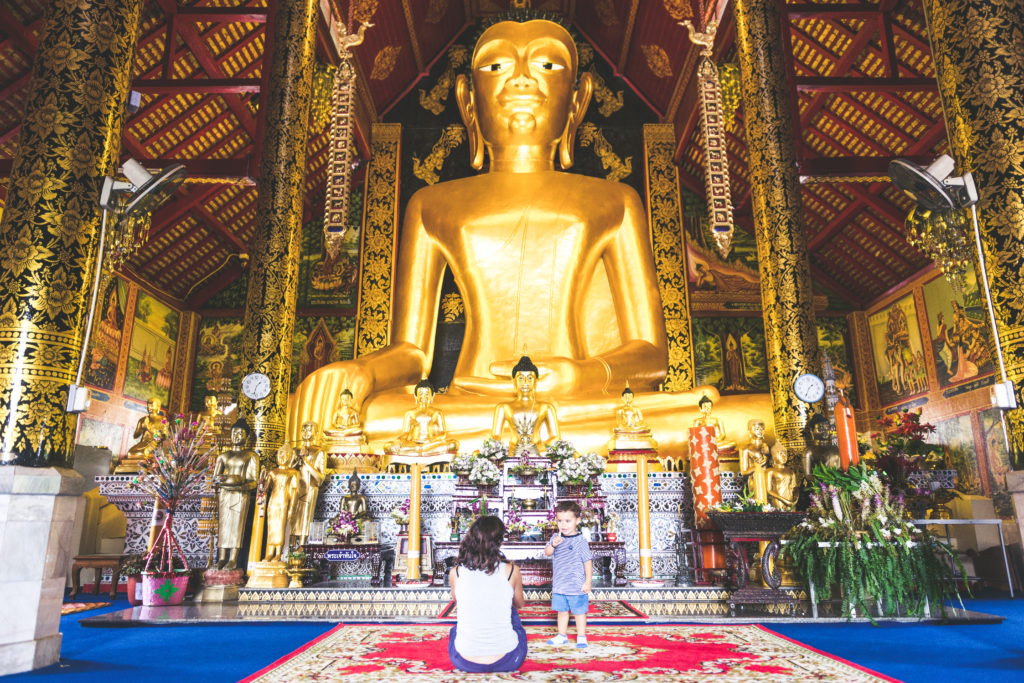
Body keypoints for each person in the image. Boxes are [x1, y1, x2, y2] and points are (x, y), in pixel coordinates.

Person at [287, 15, 768, 458]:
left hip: (581, 404)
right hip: (469, 401)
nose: (520, 78)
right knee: (354, 417)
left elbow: (652, 355)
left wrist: (581, 374)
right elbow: (412, 354)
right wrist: (360, 372)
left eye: (546, 63)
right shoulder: (431, 204)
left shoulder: (615, 200)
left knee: (747, 416)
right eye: (495, 64)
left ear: (578, 99)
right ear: (467, 100)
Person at [448, 515, 527, 673]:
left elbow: (458, 602)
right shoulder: (511, 570)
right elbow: (519, 604)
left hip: (463, 661)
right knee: (513, 616)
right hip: (509, 660)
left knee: (455, 629)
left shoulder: (455, 572)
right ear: (499, 541)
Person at [544, 500, 593, 648]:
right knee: (562, 611)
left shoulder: (581, 541)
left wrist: (588, 582)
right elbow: (547, 553)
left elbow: (587, 561)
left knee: (579, 612)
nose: (563, 525)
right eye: (560, 521)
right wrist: (553, 545)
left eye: (568, 521)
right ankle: (561, 635)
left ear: (577, 520)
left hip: (577, 586)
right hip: (560, 585)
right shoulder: (555, 538)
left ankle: (582, 636)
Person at [491, 356, 560, 459]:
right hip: (512, 452)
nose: (525, 383)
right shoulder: (503, 407)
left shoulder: (546, 407)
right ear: (514, 381)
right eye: (521, 378)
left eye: (530, 378)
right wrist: (502, 451)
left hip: (538, 452)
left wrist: (540, 448)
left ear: (536, 381)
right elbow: (495, 436)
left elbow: (556, 437)